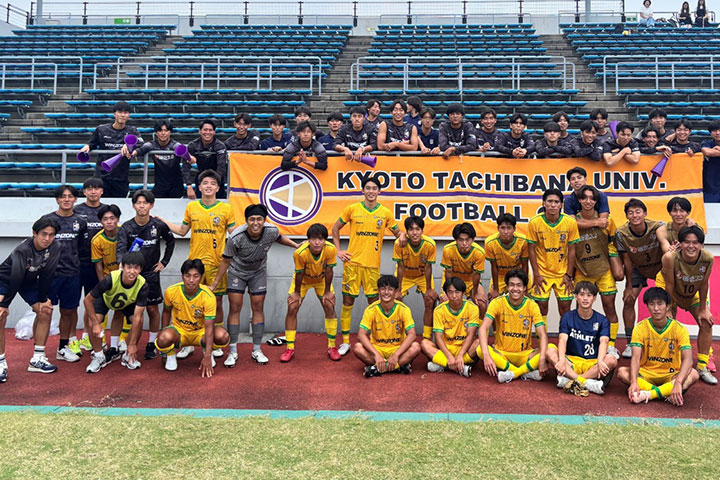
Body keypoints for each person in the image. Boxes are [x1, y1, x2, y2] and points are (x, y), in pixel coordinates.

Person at [157, 169, 235, 360]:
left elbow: (235, 234)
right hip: (195, 266)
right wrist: (164, 221)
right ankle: (188, 342)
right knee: (191, 302)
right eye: (205, 183)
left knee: (216, 302)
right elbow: (182, 231)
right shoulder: (192, 207)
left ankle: (214, 344)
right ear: (199, 187)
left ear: (218, 188)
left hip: (216, 264)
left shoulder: (226, 209)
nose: (208, 186)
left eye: (212, 183)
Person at [212, 204, 298, 366]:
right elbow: (226, 261)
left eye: (259, 219)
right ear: (246, 221)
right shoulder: (236, 237)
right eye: (252, 219)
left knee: (258, 307)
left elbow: (280, 238)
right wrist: (215, 283)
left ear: (264, 220)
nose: (256, 223)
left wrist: (295, 245)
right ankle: (233, 351)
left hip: (258, 272)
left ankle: (257, 350)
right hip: (237, 272)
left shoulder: (271, 231)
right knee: (235, 308)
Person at [332, 175, 405, 356]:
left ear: (379, 192)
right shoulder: (352, 209)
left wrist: (402, 235)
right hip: (352, 265)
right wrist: (339, 251)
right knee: (348, 302)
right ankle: (346, 342)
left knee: (374, 304)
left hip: (372, 267)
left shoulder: (385, 213)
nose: (371, 191)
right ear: (363, 190)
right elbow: (335, 228)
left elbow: (398, 233)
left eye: (374, 188)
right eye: (368, 188)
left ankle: (374, 340)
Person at [116, 189, 175, 361]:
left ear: (151, 205)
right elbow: (120, 248)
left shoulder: (158, 225)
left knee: (152, 309)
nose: (142, 206)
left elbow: (171, 241)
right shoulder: (126, 227)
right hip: (131, 275)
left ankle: (151, 343)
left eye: (145, 203)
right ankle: (122, 344)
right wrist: (122, 266)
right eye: (138, 203)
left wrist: (164, 262)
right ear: (134, 205)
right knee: (130, 311)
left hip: (151, 273)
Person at [0, 217, 61, 380]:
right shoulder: (23, 249)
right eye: (43, 234)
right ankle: (0, 363)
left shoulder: (55, 247)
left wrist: (42, 299)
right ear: (35, 233)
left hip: (29, 281)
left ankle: (37, 359)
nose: (47, 239)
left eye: (51, 235)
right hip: (6, 280)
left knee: (46, 310)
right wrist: (4, 304)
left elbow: (47, 274)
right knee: (0, 315)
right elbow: (16, 277)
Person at [617, 287, 699, 405]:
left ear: (668, 306)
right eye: (652, 304)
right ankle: (665, 392)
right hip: (647, 373)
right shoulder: (640, 327)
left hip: (671, 374)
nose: (656, 308)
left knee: (694, 374)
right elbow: (635, 358)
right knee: (622, 372)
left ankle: (649, 394)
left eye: (660, 304)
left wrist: (678, 382)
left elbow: (688, 360)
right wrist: (634, 381)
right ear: (647, 306)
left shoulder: (679, 329)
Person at [155, 259, 230, 376]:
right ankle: (170, 354)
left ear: (201, 277)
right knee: (163, 337)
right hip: (180, 331)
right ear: (182, 276)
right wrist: (164, 343)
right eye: (187, 275)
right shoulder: (171, 291)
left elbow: (209, 327)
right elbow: (166, 312)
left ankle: (207, 350)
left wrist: (207, 356)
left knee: (223, 336)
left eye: (195, 276)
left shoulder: (208, 296)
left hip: (201, 332)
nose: (191, 280)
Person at [661, 225, 716, 384]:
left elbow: (704, 284)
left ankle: (702, 366)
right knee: (667, 324)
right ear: (680, 243)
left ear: (701, 244)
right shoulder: (670, 257)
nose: (691, 246)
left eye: (695, 242)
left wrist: (703, 309)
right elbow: (669, 284)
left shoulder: (708, 258)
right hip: (672, 292)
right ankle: (669, 365)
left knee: (706, 321)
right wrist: (668, 308)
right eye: (687, 242)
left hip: (692, 294)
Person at [477, 269, 551, 383]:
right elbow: (483, 328)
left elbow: (542, 334)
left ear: (524, 288)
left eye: (519, 285)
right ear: (507, 287)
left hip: (524, 356)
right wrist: (486, 355)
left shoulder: (532, 305)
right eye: (511, 285)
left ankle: (511, 373)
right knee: (479, 349)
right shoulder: (497, 303)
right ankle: (523, 372)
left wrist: (542, 358)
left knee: (551, 349)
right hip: (502, 354)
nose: (515, 289)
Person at [546, 281, 618, 396]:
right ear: (576, 296)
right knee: (549, 350)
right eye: (582, 294)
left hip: (592, 363)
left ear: (594, 298)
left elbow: (604, 342)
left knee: (612, 360)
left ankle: (573, 380)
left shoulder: (602, 320)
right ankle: (586, 383)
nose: (585, 298)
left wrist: (600, 361)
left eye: (589, 295)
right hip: (571, 362)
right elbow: (562, 340)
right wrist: (561, 360)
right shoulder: (567, 317)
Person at [280, 223, 339, 363]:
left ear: (325, 240)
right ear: (308, 240)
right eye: (313, 239)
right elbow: (299, 274)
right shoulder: (300, 253)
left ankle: (332, 346)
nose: (317, 242)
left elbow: (329, 271)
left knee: (329, 305)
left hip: (321, 280)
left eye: (321, 239)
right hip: (303, 281)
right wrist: (296, 293)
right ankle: (289, 348)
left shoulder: (331, 249)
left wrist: (327, 292)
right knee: (292, 307)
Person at [82, 251, 148, 372]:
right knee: (93, 322)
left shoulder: (143, 285)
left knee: (138, 321)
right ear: (122, 266)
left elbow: (138, 317)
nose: (132, 271)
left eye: (136, 268)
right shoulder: (111, 279)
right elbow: (87, 300)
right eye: (129, 267)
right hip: (106, 299)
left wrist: (132, 344)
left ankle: (127, 355)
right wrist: (96, 324)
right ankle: (98, 356)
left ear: (141, 269)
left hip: (126, 303)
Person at [615, 198, 664, 358]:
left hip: (660, 267)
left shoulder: (658, 226)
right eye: (631, 212)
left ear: (645, 213)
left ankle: (664, 341)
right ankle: (630, 343)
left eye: (638, 212)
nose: (635, 215)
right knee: (628, 300)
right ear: (626, 216)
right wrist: (629, 286)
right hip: (638, 268)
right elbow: (627, 260)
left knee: (667, 303)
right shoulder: (621, 233)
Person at [44, 185, 88, 363]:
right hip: (50, 274)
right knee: (44, 311)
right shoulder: (47, 220)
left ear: (75, 199)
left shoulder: (80, 221)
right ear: (57, 200)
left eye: (70, 196)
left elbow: (82, 248)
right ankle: (39, 351)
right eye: (63, 196)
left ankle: (62, 348)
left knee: (68, 311)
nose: (66, 199)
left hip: (72, 274)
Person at [573, 186, 621, 350]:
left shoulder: (607, 220)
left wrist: (616, 263)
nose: (588, 201)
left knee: (609, 307)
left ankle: (611, 345)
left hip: (603, 270)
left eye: (592, 198)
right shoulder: (572, 222)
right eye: (584, 198)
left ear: (596, 201)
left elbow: (615, 243)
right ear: (579, 200)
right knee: (581, 309)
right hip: (583, 271)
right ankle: (581, 342)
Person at [352, 274, 420, 377]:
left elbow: (412, 334)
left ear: (396, 292)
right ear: (378, 291)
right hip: (378, 348)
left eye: (390, 289)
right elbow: (361, 334)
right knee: (357, 348)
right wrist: (376, 355)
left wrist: (396, 355)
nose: (386, 292)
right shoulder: (371, 309)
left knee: (416, 347)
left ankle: (377, 368)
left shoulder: (403, 309)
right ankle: (397, 367)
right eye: (383, 289)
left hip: (397, 348)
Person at [528, 188, 579, 322]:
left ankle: (564, 335)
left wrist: (569, 274)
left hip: (562, 274)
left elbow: (572, 250)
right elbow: (531, 249)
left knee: (565, 308)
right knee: (541, 308)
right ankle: (542, 336)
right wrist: (536, 274)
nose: (553, 205)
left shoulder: (570, 222)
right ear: (543, 203)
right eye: (549, 201)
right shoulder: (534, 222)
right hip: (542, 273)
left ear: (561, 204)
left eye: (556, 202)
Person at [91, 204, 131, 358]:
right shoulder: (97, 240)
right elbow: (98, 265)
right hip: (108, 279)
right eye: (105, 219)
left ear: (118, 219)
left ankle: (121, 340)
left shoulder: (125, 232)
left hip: (126, 278)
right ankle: (101, 342)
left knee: (121, 311)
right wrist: (103, 285)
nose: (109, 222)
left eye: (112, 218)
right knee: (100, 313)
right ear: (101, 221)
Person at [79, 101, 143, 198]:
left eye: (125, 112)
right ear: (114, 114)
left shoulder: (132, 131)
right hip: (101, 177)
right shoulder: (102, 129)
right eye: (120, 112)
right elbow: (92, 143)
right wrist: (87, 146)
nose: (122, 115)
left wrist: (130, 145)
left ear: (129, 115)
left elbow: (141, 143)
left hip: (121, 178)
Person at [73, 177, 107, 352]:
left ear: (102, 191)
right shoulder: (76, 210)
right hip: (76, 263)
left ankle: (87, 336)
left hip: (97, 264)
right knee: (71, 305)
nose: (93, 191)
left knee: (91, 302)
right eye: (89, 188)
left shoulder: (107, 211)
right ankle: (71, 339)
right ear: (84, 191)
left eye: (97, 188)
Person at [421, 276, 478, 377]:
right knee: (424, 344)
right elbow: (438, 337)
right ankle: (460, 368)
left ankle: (443, 365)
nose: (454, 296)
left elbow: (471, 334)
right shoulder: (439, 310)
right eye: (450, 292)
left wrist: (460, 355)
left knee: (479, 343)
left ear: (463, 293)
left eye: (457, 292)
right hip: (445, 350)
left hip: (464, 349)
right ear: (446, 294)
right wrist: (448, 356)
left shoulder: (472, 308)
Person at [393, 216, 437, 340]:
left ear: (422, 231)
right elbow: (400, 267)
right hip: (405, 275)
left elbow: (428, 267)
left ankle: (427, 336)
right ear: (407, 232)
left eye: (418, 229)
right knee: (395, 300)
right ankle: (401, 336)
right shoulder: (399, 243)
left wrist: (429, 289)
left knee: (430, 300)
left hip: (422, 275)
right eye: (411, 229)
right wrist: (398, 289)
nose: (415, 233)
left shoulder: (430, 244)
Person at [440, 222, 487, 311]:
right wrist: (447, 291)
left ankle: (480, 321)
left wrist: (475, 293)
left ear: (473, 239)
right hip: (452, 279)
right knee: (444, 302)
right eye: (461, 240)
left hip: (470, 280)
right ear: (456, 240)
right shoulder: (448, 249)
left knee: (481, 303)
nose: (464, 243)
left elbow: (476, 275)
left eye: (467, 240)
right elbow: (448, 272)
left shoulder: (479, 252)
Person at [132, 119, 185, 198]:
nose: (163, 133)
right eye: (160, 131)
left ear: (170, 132)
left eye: (166, 130)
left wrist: (189, 157)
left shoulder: (176, 145)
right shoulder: (151, 145)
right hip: (160, 185)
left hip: (176, 186)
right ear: (156, 132)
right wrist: (133, 152)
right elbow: (141, 149)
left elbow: (187, 155)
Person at [485, 213, 529, 301]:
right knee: (493, 299)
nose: (505, 232)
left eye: (509, 228)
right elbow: (494, 267)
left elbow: (525, 265)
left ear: (514, 229)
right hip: (500, 275)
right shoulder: (490, 243)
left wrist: (525, 287)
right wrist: (496, 289)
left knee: (526, 299)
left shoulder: (523, 241)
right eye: (502, 228)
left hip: (519, 274)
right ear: (498, 228)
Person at [184, 119, 228, 199]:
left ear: (214, 132)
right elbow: (185, 167)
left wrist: (214, 183)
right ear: (200, 131)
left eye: (210, 130)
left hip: (218, 179)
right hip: (200, 179)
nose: (207, 132)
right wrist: (189, 186)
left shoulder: (220, 146)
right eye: (205, 130)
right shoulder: (193, 145)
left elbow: (221, 166)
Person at [701, 120, 720, 202]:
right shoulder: (706, 143)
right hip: (711, 187)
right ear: (710, 132)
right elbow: (707, 152)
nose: (718, 133)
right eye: (714, 130)